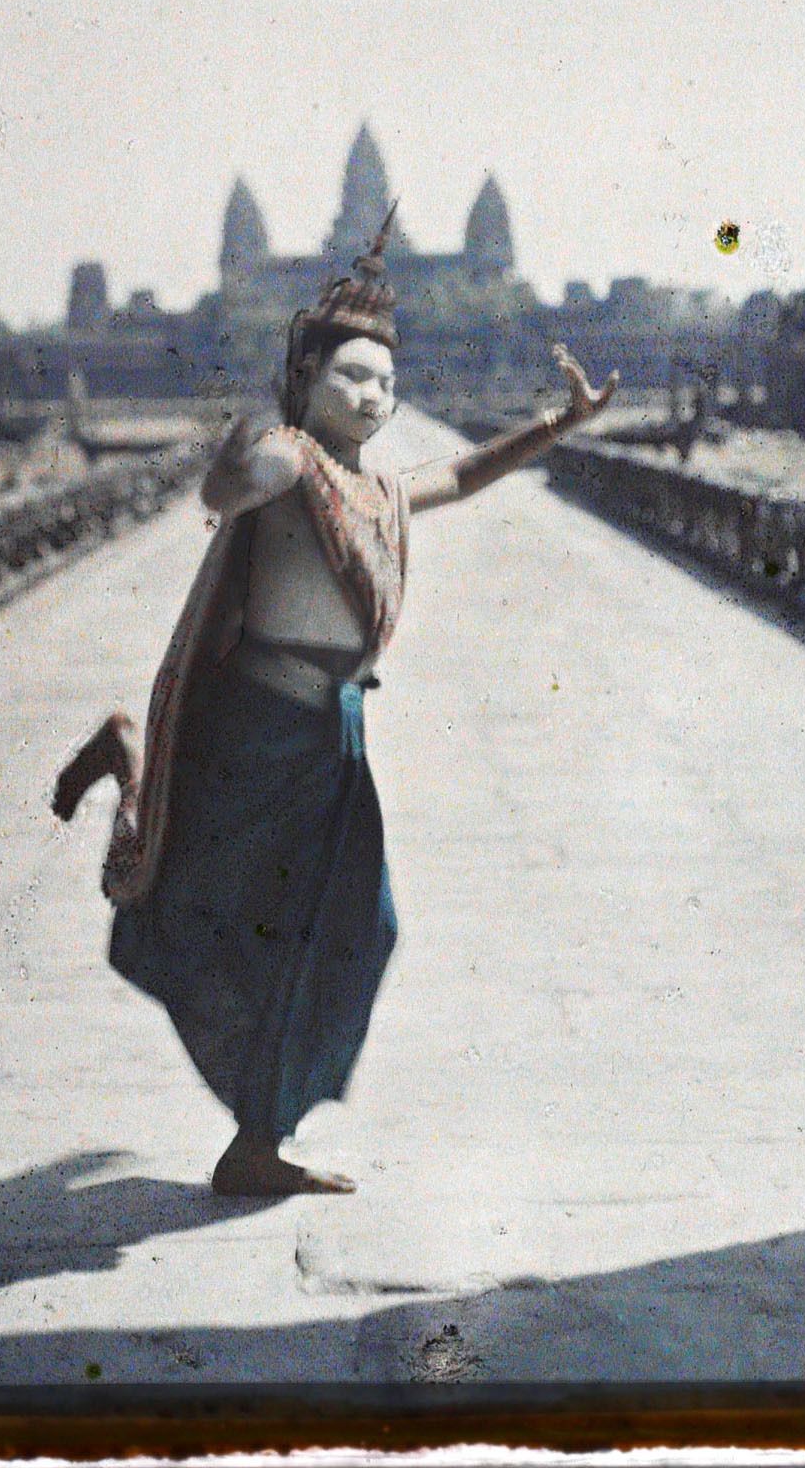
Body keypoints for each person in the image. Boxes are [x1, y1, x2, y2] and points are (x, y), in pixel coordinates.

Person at [53, 214, 617, 1197]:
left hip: (331, 739)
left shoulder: (378, 486)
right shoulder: (289, 461)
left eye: (385, 383)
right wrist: (231, 463)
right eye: (351, 376)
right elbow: (235, 483)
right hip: (251, 731)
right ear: (302, 383)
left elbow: (466, 473)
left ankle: (258, 1135)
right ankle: (133, 766)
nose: (374, 394)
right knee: (204, 912)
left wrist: (557, 424)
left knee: (364, 928)